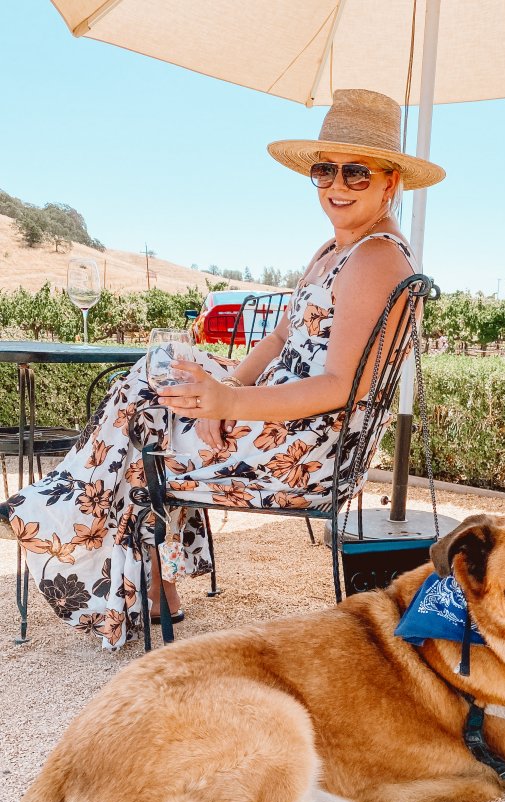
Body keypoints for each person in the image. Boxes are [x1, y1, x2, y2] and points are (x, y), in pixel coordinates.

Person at [0, 89, 445, 650]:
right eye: (324, 170)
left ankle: (69, 518)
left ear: (390, 183)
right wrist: (225, 387)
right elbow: (284, 336)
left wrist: (229, 405)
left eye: (356, 172)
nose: (336, 184)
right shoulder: (333, 251)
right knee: (167, 372)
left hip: (306, 450)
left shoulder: (377, 259)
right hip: (277, 422)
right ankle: (121, 558)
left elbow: (338, 389)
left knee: (149, 412)